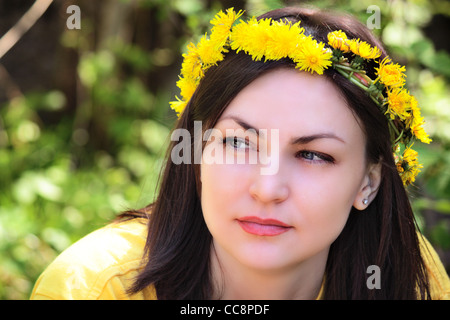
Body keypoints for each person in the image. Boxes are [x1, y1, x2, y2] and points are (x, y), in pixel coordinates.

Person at [30, 6, 450, 300]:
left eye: (314, 155)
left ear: (368, 183)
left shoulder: (408, 278)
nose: (267, 189)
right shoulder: (90, 288)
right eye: (237, 143)